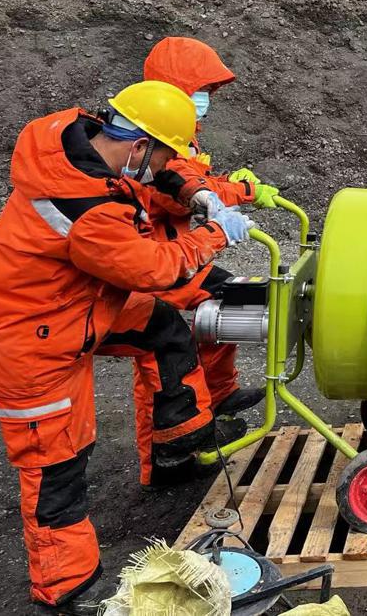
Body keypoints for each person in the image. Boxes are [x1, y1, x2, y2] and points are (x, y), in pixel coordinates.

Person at [0, 81, 253, 612]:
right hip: (28, 342)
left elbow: (153, 184)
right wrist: (214, 233)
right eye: (160, 157)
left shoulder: (76, 147)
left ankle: (175, 448)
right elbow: (153, 268)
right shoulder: (89, 209)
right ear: (137, 148)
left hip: (72, 307)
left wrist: (196, 195)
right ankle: (66, 586)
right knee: (57, 465)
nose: (160, 169)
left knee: (165, 330)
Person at [132, 37, 281, 490]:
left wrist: (238, 186)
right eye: (202, 90)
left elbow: (200, 180)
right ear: (176, 87)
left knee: (235, 299)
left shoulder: (180, 132)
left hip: (181, 255)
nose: (206, 100)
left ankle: (218, 395)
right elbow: (183, 193)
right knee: (161, 358)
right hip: (158, 261)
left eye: (210, 94)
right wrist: (242, 194)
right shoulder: (152, 135)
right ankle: (164, 459)